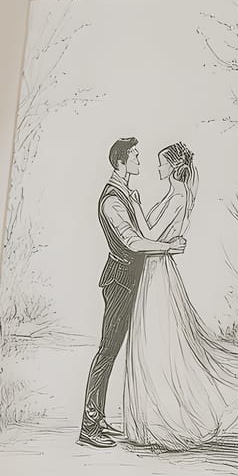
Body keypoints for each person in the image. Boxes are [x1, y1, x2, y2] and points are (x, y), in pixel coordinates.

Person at [122, 141, 238, 450]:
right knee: (151, 344)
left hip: (158, 275)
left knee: (159, 345)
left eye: (161, 163)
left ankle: (166, 424)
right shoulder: (174, 194)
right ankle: (149, 424)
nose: (158, 167)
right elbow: (154, 233)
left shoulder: (178, 196)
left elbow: (150, 236)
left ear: (174, 166)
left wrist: (136, 205)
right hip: (153, 271)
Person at [78, 138, 185, 449]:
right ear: (121, 163)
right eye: (135, 155)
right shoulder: (111, 200)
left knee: (112, 352)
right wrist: (168, 247)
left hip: (129, 281)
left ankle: (97, 419)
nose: (140, 159)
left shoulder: (125, 194)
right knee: (107, 351)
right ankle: (89, 425)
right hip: (120, 283)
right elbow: (133, 242)